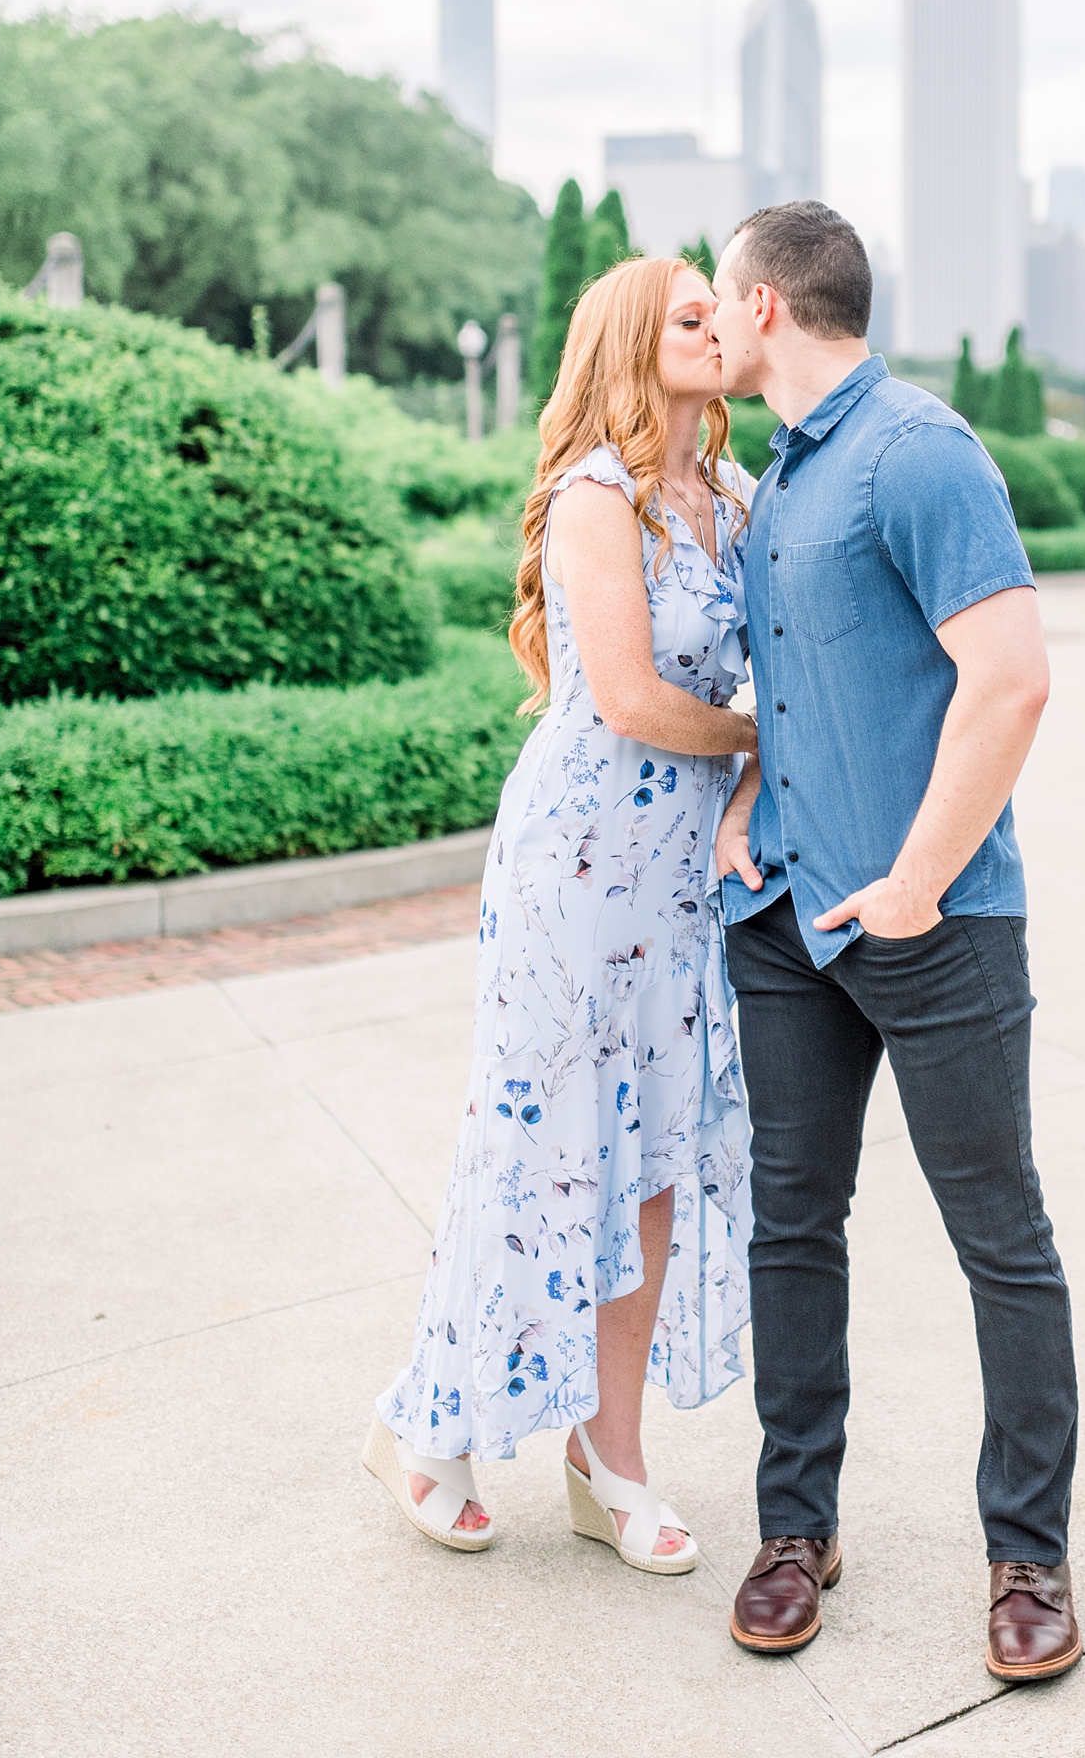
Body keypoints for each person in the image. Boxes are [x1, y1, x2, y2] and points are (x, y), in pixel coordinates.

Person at [709, 201, 1082, 1682]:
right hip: (787, 925)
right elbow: (802, 675)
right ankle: (794, 1528)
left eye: (720, 301)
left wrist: (921, 878)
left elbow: (1008, 685)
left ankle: (1028, 1560)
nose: (713, 324)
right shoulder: (778, 478)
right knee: (790, 1226)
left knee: (1002, 1242)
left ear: (761, 307)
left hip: (934, 927)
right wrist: (752, 788)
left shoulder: (918, 451)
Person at [365, 255, 759, 1573]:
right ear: (636, 344)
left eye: (724, 306)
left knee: (651, 1163)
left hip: (684, 882)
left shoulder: (735, 498)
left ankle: (610, 1458)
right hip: (578, 870)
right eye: (690, 312)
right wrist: (777, 739)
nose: (721, 322)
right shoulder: (601, 497)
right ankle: (426, 1425)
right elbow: (636, 702)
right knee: (536, 1149)